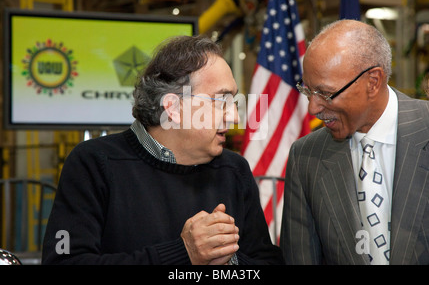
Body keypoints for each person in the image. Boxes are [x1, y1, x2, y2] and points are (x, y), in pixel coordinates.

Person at [42, 35, 284, 265]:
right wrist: (184, 253)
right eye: (221, 101)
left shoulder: (234, 170)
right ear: (173, 108)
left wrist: (229, 261)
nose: (233, 117)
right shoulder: (94, 163)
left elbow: (267, 260)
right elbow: (64, 261)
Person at [280, 19, 429, 265]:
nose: (313, 107)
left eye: (326, 94)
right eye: (307, 91)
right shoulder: (306, 157)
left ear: (373, 81)